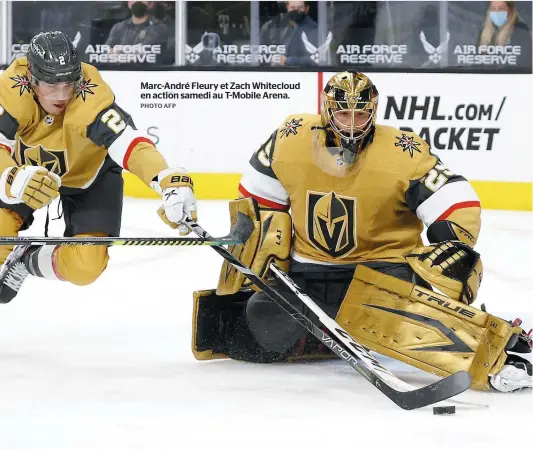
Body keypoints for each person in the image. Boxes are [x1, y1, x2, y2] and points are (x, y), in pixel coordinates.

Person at [192, 71, 532, 393]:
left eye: (360, 114)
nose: (353, 124)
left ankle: (496, 360)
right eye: (344, 115)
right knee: (260, 327)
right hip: (307, 272)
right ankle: (328, 331)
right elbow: (255, 199)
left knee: (408, 325)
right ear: (327, 111)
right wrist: (251, 237)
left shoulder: (401, 150)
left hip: (382, 269)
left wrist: (453, 241)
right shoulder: (290, 137)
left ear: (374, 111)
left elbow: (456, 200)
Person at [0, 30, 196, 303]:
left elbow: (129, 142)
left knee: (85, 267)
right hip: (27, 174)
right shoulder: (12, 89)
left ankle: (24, 260)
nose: (62, 94)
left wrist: (163, 177)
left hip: (90, 177)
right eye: (51, 85)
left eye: (69, 82)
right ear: (32, 80)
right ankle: (8, 251)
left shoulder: (91, 95)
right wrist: (10, 177)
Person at [260, 1, 318, 66]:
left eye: (300, 8)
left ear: (306, 9)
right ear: (287, 7)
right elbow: (261, 53)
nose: (296, 11)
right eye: (292, 8)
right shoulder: (272, 26)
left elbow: (315, 58)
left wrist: (287, 61)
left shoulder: (313, 28)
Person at [478, 1, 532, 66]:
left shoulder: (520, 31)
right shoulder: (484, 32)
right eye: (493, 9)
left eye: (501, 8)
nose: (496, 12)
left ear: (511, 11)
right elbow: (476, 60)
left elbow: (522, 63)